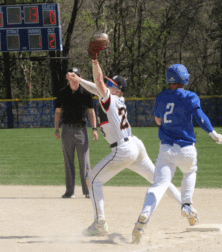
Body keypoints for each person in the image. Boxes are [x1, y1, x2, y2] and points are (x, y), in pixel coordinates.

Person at [68, 59, 185, 236]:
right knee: (159, 179)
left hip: (123, 149)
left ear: (117, 89)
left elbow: (98, 83)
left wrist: (94, 61)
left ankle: (100, 223)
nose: (107, 85)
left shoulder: (111, 99)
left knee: (93, 180)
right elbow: (96, 87)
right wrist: (80, 80)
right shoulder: (117, 99)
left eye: (111, 84)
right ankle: (187, 206)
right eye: (108, 83)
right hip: (135, 145)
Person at [131, 64, 222, 244]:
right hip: (185, 148)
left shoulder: (161, 97)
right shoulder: (190, 96)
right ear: (185, 79)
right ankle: (186, 205)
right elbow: (200, 117)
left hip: (166, 149)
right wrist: (213, 134)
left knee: (158, 185)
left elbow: (158, 120)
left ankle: (144, 215)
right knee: (189, 172)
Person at [54, 67, 98, 199]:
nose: (74, 79)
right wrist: (56, 128)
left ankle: (87, 191)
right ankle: (69, 191)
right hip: (66, 129)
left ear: (79, 77)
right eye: (72, 76)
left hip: (81, 130)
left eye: (76, 76)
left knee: (84, 162)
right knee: (68, 161)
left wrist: (94, 129)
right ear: (68, 78)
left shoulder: (86, 92)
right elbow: (57, 111)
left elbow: (91, 112)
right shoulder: (63, 92)